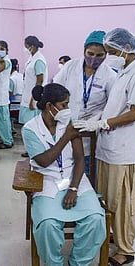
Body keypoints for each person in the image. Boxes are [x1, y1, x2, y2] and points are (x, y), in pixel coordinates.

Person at [73, 28, 135, 265]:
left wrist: (104, 122)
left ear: (125, 50)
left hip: (124, 150)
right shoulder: (123, 70)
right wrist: (95, 120)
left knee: (124, 202)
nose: (108, 55)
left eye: (111, 51)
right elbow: (115, 105)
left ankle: (125, 250)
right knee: (109, 198)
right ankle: (112, 235)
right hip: (108, 147)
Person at [22, 83, 105, 266]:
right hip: (46, 180)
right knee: (47, 225)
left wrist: (74, 188)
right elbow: (44, 161)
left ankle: (77, 263)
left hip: (74, 178)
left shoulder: (69, 123)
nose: (67, 109)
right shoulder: (30, 129)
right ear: (50, 106)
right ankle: (54, 263)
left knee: (96, 219)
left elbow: (80, 159)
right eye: (63, 105)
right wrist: (66, 137)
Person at [54, 30, 116, 176]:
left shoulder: (110, 76)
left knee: (86, 172)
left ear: (106, 54)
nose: (94, 59)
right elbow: (56, 89)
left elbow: (112, 105)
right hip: (66, 126)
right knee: (65, 169)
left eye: (99, 55)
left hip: (92, 131)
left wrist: (96, 119)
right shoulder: (70, 66)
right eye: (90, 53)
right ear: (83, 51)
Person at [20, 35, 48, 157]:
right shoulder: (32, 58)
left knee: (33, 126)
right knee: (27, 125)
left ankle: (35, 149)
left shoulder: (39, 60)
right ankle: (30, 149)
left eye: (26, 46)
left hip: (33, 98)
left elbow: (40, 80)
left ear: (31, 46)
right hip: (27, 96)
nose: (25, 49)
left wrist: (33, 98)